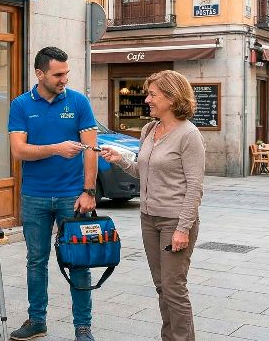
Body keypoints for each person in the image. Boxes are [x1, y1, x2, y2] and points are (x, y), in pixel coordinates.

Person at [101, 70, 204, 341]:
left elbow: (195, 187)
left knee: (174, 287)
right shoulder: (150, 129)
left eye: (153, 94)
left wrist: (183, 228)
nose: (147, 99)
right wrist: (120, 160)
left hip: (174, 221)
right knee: (162, 287)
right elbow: (143, 170)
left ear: (171, 97)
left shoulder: (189, 135)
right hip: (149, 219)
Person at [7, 47, 99, 341]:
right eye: (58, 74)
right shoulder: (21, 105)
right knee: (36, 261)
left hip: (71, 196)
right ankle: (37, 321)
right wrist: (57, 148)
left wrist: (89, 191)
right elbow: (18, 150)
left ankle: (83, 328)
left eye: (66, 73)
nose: (64, 79)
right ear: (40, 74)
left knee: (80, 261)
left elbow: (91, 152)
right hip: (34, 196)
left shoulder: (79, 102)